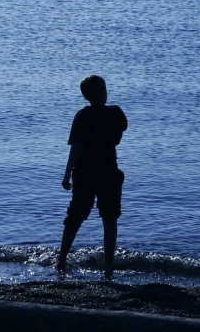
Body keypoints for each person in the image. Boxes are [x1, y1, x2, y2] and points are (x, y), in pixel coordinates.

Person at [58, 75, 128, 279]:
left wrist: (66, 174)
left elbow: (76, 148)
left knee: (75, 216)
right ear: (104, 91)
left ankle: (62, 257)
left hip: (85, 172)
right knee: (110, 218)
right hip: (109, 171)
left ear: (85, 96)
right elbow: (121, 131)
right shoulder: (116, 113)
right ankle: (108, 267)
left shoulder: (82, 116)